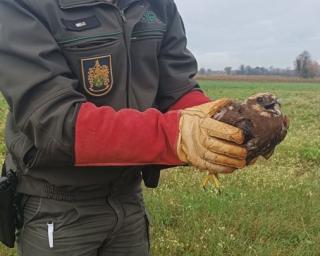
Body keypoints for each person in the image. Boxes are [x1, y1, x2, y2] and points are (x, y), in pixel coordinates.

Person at [0, 0, 247, 255]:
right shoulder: (23, 5)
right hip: (56, 203)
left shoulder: (158, 5)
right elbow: (56, 122)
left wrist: (216, 122)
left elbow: (177, 90)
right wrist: (176, 134)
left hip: (128, 196)